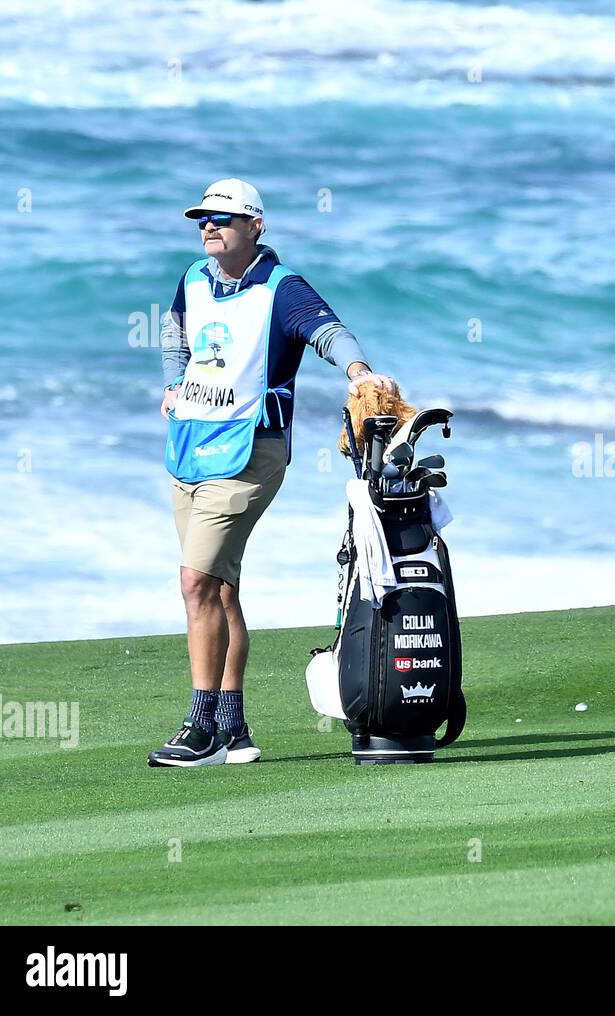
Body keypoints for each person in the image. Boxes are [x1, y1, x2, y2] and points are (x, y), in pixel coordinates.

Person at [150, 178, 393, 767]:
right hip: (192, 445)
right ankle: (233, 729)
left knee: (194, 584)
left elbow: (325, 331)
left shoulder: (282, 288)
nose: (209, 227)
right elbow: (175, 327)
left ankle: (201, 726)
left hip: (251, 455)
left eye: (223, 219)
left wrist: (357, 370)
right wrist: (173, 378)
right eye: (203, 219)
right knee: (220, 586)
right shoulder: (192, 278)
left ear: (255, 227)